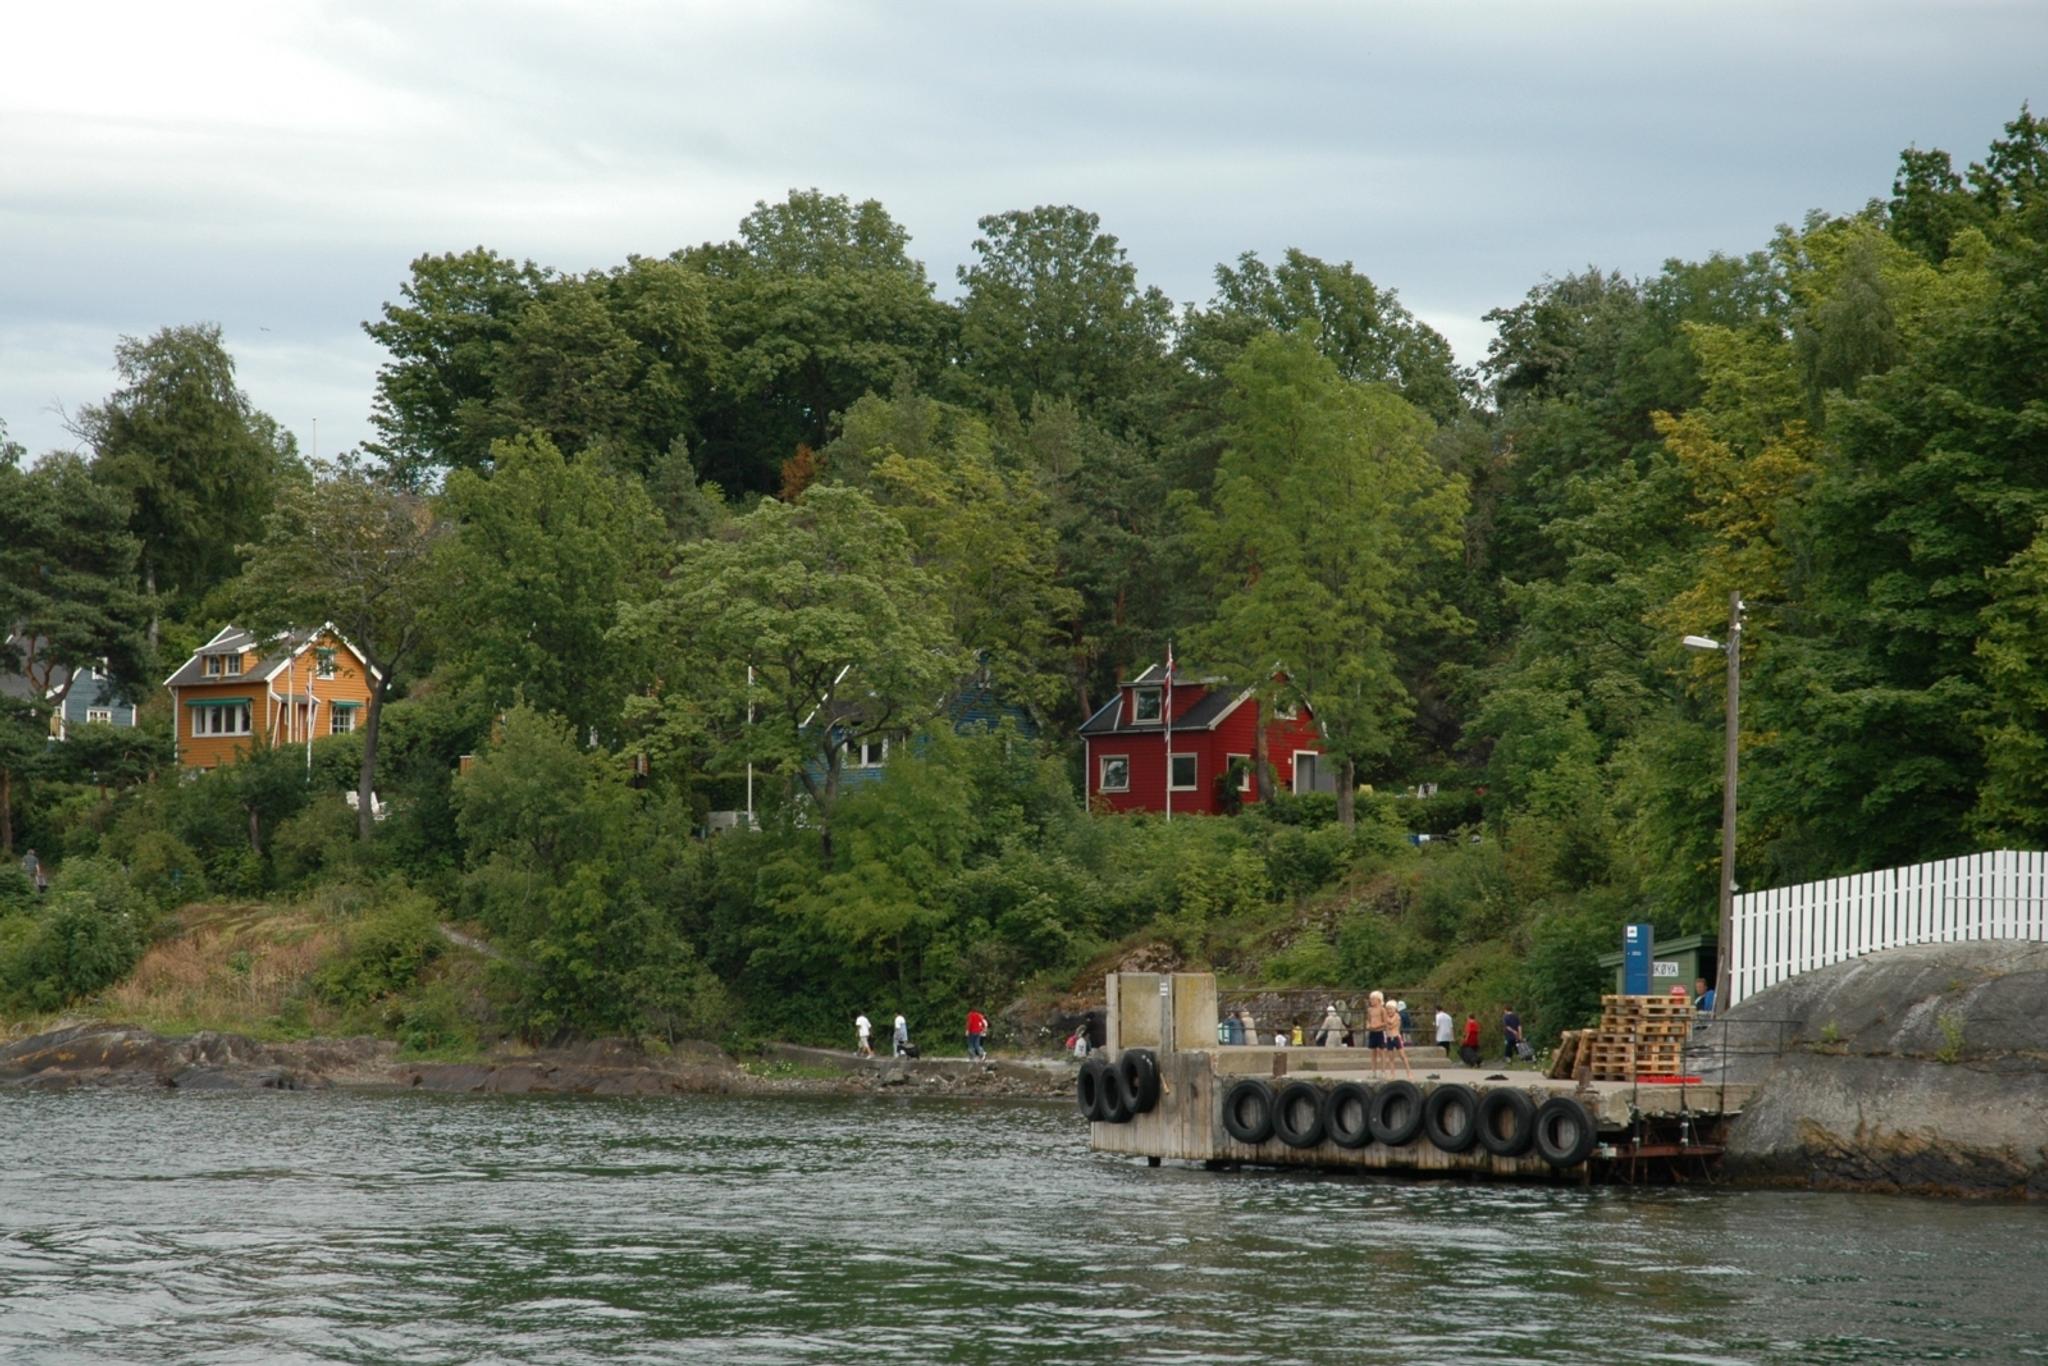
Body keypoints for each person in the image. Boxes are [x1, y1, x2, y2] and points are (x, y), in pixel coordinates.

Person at [1365, 990, 1387, 1074]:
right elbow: (1368, 1019)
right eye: (1371, 999)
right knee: (1373, 1052)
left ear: (1378, 1000)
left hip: (1380, 1032)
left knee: (1382, 1052)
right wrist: (1368, 1025)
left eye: (1373, 999)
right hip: (1372, 1032)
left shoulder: (1382, 1009)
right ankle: (1373, 1071)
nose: (1371, 1001)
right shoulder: (1370, 1010)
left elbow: (1385, 1022)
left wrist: (1377, 1026)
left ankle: (1383, 1071)